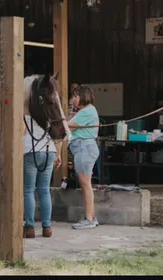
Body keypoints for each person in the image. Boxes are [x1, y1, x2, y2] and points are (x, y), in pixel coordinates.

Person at [67, 85, 100, 229]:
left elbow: (68, 126)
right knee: (87, 184)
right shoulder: (86, 111)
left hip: (83, 147)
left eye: (75, 96)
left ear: (83, 96)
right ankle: (91, 216)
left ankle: (88, 219)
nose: (73, 99)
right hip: (83, 148)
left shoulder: (86, 111)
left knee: (85, 184)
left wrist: (69, 114)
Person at [22, 115, 61, 238]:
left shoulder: (27, 113)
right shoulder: (49, 112)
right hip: (50, 150)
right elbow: (58, 136)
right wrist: (58, 155)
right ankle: (47, 227)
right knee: (44, 190)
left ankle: (29, 227)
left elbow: (21, 131)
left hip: (31, 150)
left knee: (28, 190)